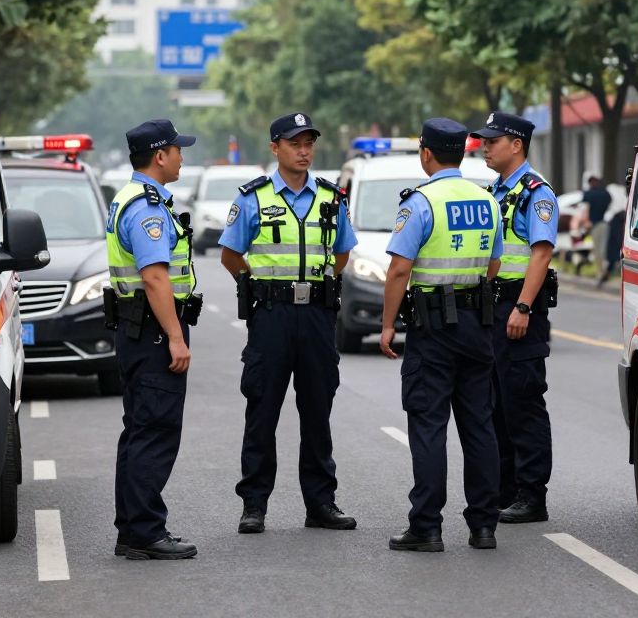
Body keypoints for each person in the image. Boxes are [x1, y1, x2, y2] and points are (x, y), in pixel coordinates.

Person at [219, 112, 358, 535]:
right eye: (295, 143)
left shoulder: (332, 198)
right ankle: (254, 504)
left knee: (318, 409)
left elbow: (342, 253)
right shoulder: (252, 198)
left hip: (317, 315)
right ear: (275, 147)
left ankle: (321, 504)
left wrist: (320, 287)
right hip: (272, 317)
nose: (304, 151)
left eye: (309, 143)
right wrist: (259, 288)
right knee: (262, 409)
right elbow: (230, 254)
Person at [380, 117, 503, 553]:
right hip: (477, 325)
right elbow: (493, 263)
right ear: (464, 152)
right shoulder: (486, 199)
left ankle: (427, 527)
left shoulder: (421, 202)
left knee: (429, 425)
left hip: (432, 328)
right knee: (479, 425)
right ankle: (484, 525)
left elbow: (399, 268)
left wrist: (388, 325)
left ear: (426, 153)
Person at [106, 119, 200, 561]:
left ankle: (132, 529)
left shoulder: (130, 198)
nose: (182, 155)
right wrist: (176, 337)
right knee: (156, 432)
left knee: (139, 430)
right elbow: (156, 278)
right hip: (153, 334)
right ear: (160, 156)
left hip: (136, 331)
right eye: (178, 149)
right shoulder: (146, 207)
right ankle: (146, 531)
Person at [470, 112, 559, 524]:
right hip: (494, 310)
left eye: (492, 140)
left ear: (516, 145)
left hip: (519, 310)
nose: (485, 147)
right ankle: (506, 490)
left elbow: (541, 252)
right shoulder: (496, 191)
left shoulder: (536, 193)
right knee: (495, 406)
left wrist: (523, 306)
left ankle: (531, 495)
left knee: (523, 404)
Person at [580, 175, 612, 284]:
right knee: (602, 249)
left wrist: (584, 224)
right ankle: (603, 270)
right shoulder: (606, 194)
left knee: (598, 250)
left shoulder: (589, 194)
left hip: (594, 225)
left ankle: (600, 272)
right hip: (604, 223)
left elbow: (585, 210)